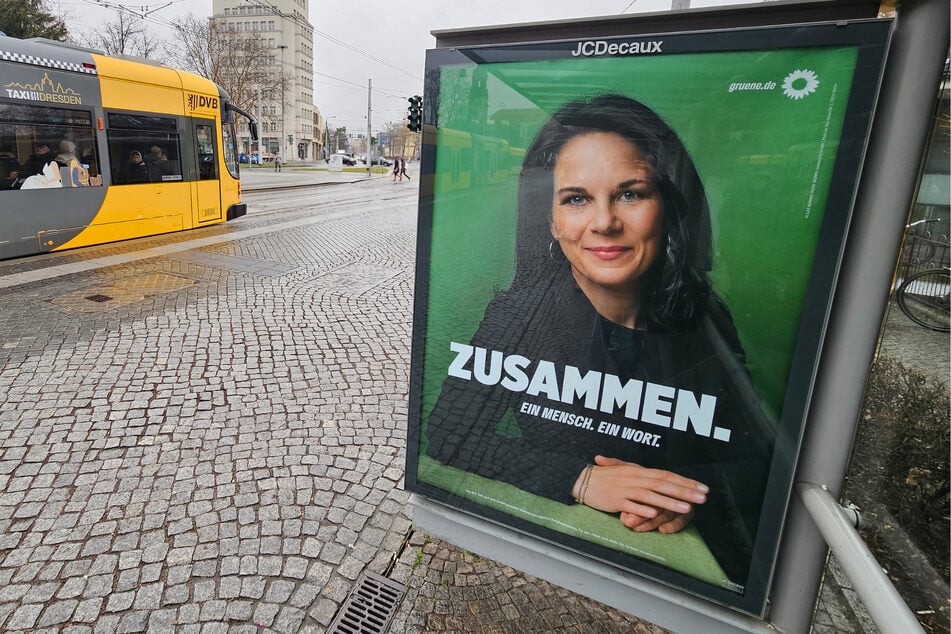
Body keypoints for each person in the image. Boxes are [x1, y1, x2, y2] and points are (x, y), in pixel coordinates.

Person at [424, 94, 774, 584]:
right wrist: (582, 479)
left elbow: (753, 459)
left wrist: (680, 498)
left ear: (668, 206)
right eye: (576, 198)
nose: (604, 222)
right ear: (549, 219)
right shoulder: (518, 317)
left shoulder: (705, 317)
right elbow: (448, 433)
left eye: (631, 194)